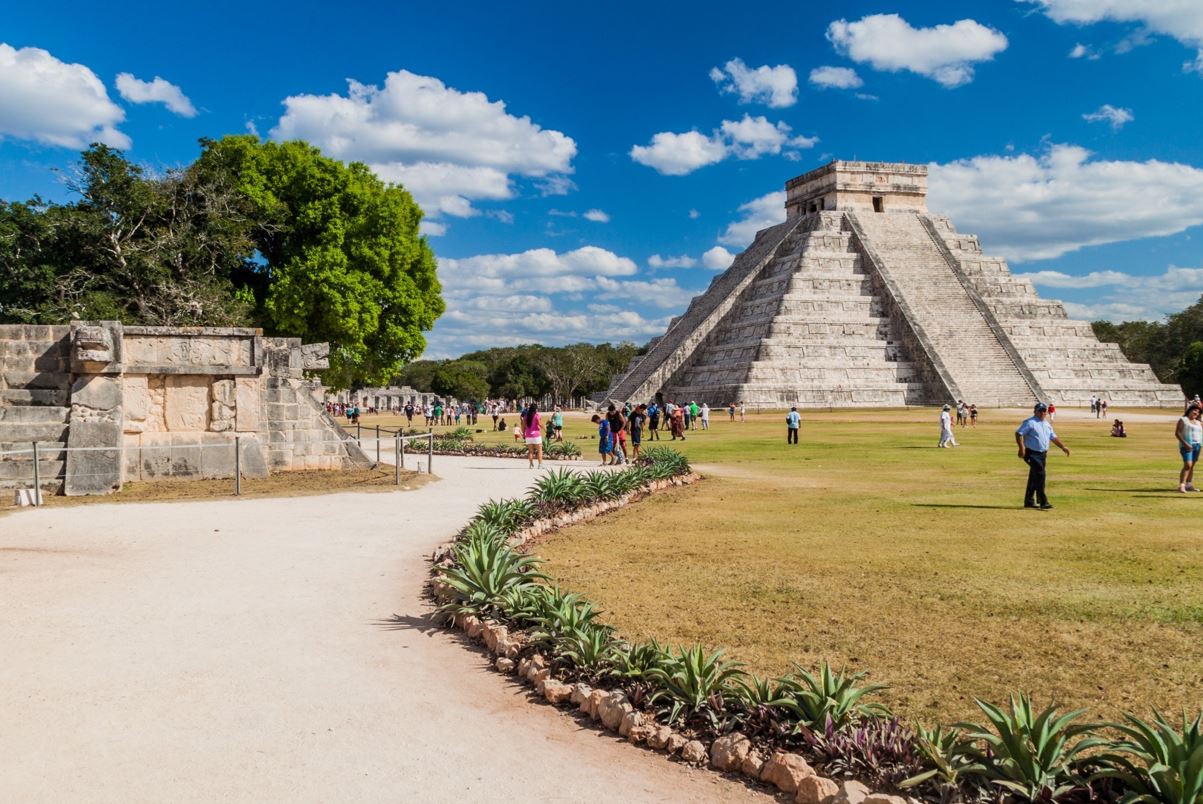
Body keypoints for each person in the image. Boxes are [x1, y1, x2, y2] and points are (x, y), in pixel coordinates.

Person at [1015, 402, 1070, 510]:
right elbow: (1018, 433)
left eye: (1044, 411)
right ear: (1035, 411)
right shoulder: (1030, 422)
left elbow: (1053, 437)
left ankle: (1029, 501)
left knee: (1034, 476)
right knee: (1040, 475)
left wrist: (1063, 447)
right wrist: (1022, 448)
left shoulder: (1046, 424)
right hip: (1031, 453)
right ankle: (1043, 501)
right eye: (1040, 410)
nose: (1043, 413)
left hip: (1042, 454)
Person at [1175, 403, 1202, 493]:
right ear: (1189, 411)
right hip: (1186, 445)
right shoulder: (1183, 420)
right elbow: (1178, 433)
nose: (1196, 413)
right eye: (1194, 410)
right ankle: (1182, 485)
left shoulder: (1198, 422)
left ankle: (1189, 484)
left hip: (1197, 445)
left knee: (1192, 466)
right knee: (1188, 465)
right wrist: (1185, 443)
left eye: (1198, 412)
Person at [522, 402, 543, 469]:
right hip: (536, 435)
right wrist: (545, 429)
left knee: (530, 451)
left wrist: (523, 434)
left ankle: (531, 464)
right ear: (535, 409)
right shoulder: (537, 415)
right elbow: (540, 424)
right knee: (539, 451)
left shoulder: (526, 416)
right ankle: (540, 465)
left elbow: (523, 426)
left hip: (528, 435)